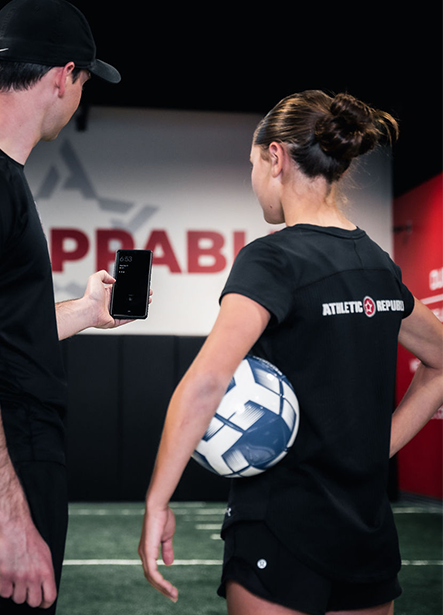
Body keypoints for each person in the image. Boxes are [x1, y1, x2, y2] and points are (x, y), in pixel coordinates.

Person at [138, 89, 443, 615]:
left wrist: (156, 501)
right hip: (366, 534)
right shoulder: (378, 265)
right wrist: (376, 449)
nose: (253, 178)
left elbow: (207, 382)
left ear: (275, 157)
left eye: (252, 163)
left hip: (279, 528)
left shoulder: (271, 258)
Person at [0, 0, 136, 612]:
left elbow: (9, 332)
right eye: (84, 82)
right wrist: (9, 515)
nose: (80, 97)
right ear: (64, 76)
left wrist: (85, 311)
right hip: (13, 467)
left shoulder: (10, 180)